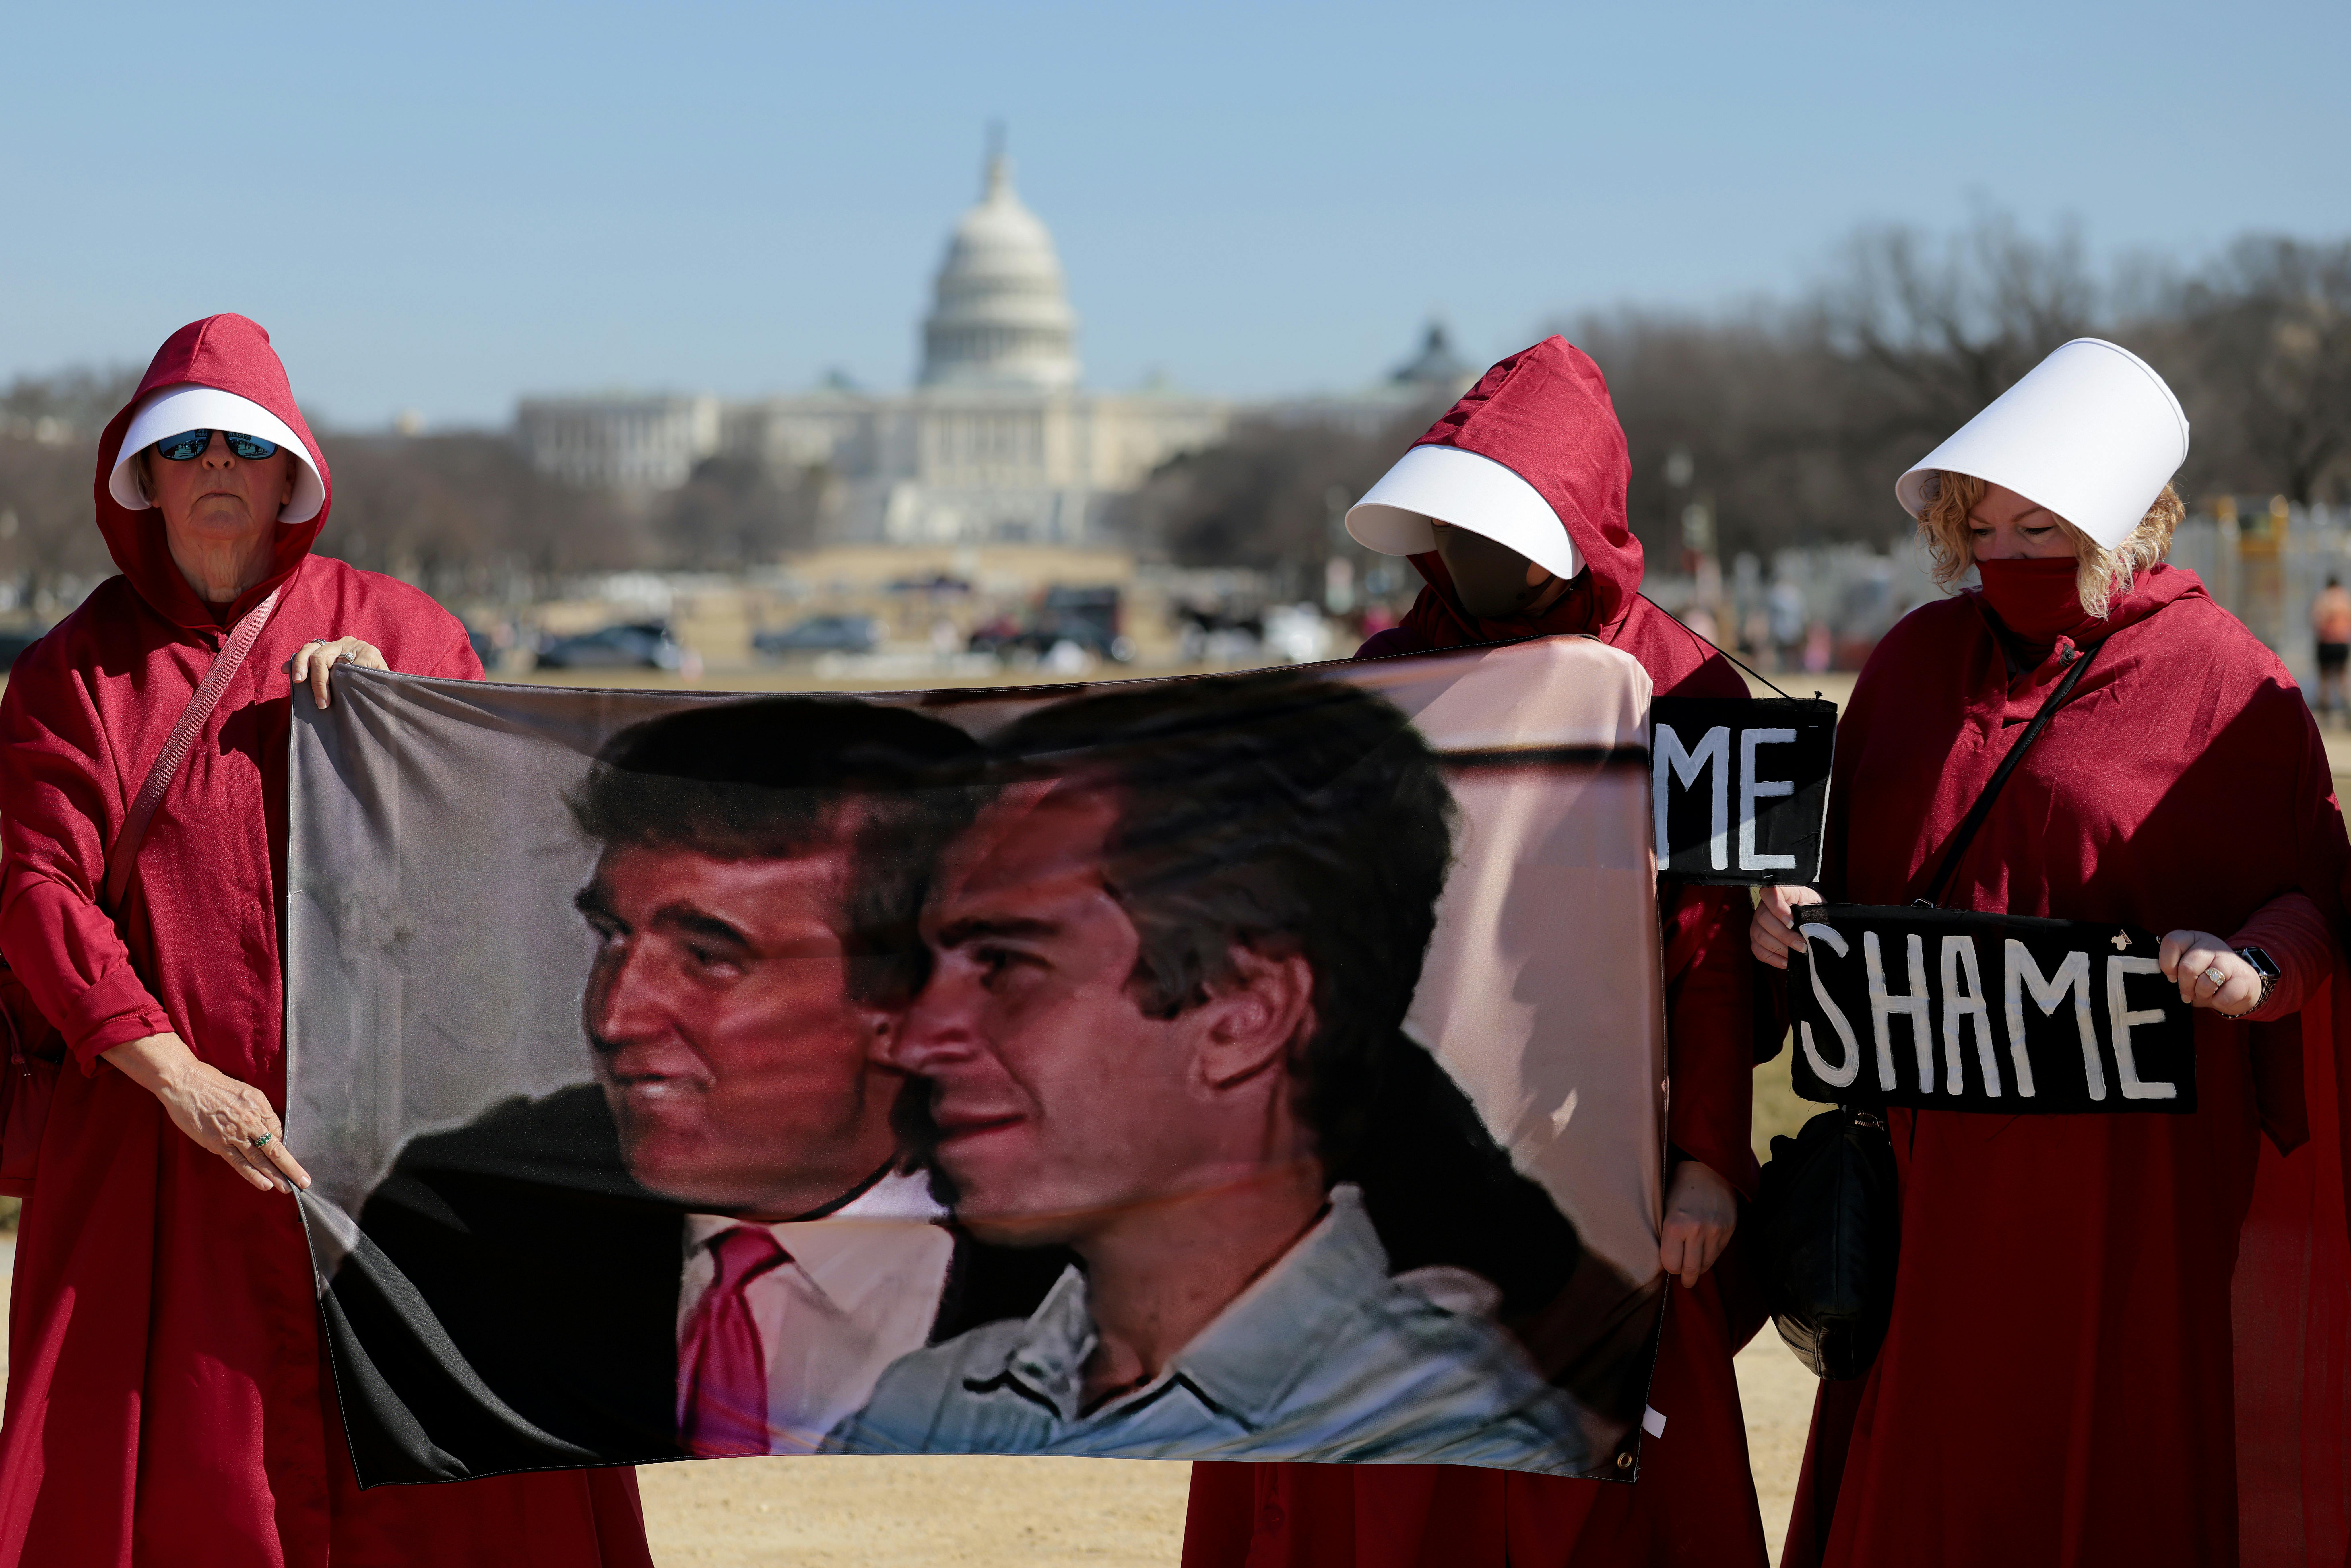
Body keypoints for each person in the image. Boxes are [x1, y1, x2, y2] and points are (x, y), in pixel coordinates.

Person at [0, 315, 651, 1566]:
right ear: (140, 474)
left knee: (431, 1489)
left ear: (290, 468)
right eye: (183, 447)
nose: (215, 471)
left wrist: (410, 727)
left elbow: (519, 866)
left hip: (392, 1157)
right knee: (184, 1475)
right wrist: (177, 1076)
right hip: (163, 1159)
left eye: (242, 446)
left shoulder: (401, 632)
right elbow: (40, 894)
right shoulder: (74, 674)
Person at [1749, 337, 2351, 1565]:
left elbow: (2315, 894)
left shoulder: (2229, 683)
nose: (2008, 555)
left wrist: (2257, 966)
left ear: (2133, 521)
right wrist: (1798, 922)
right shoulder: (1914, 662)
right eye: (1985, 526)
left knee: (2106, 1457)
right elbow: (1853, 876)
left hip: (2127, 1189)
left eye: (2045, 527)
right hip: (1926, 1178)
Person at [1184, 335, 1768, 1567]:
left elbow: (1714, 939)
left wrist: (1710, 1157)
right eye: (1459, 531)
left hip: (1607, 1166)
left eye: (1508, 531)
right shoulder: (1383, 682)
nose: (1480, 560)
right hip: (1406, 1162)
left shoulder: (1693, 690)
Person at [827, 671, 1617, 1471]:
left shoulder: (1444, 1456)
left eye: (1004, 963)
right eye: (925, 967)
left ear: (1246, 1012)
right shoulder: (927, 1407)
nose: (914, 1039)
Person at [347, 697, 1066, 1471]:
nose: (616, 1015)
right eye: (612, 936)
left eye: (709, 957)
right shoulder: (460, 1228)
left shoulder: (1105, 1273)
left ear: (913, 997)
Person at [2312, 575, 2351, 719]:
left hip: (2327, 642)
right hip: (2342, 642)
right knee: (2342, 677)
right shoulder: (2345, 598)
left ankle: (2325, 712)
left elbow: (2317, 620)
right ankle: (2347, 710)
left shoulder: (2324, 598)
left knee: (2325, 679)